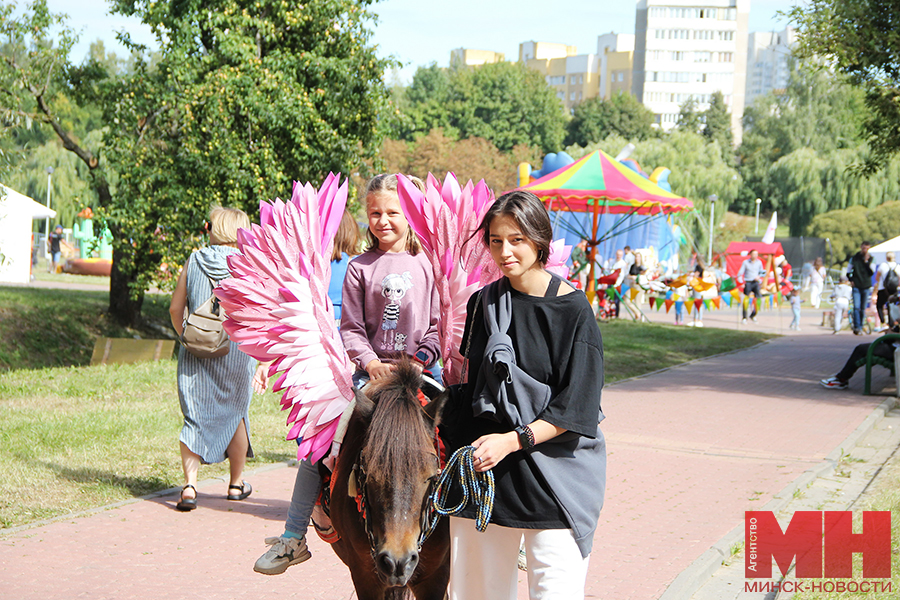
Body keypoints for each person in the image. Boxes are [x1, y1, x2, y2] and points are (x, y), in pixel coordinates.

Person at [254, 174, 441, 574]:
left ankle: (493, 523)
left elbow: (438, 324)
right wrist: (370, 361)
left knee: (461, 431)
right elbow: (352, 328)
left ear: (410, 214)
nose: (383, 220)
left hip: (421, 373)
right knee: (321, 442)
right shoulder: (359, 267)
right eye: (375, 212)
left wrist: (422, 358)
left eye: (394, 212)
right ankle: (293, 536)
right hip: (371, 376)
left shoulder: (428, 264)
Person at [440, 190, 605, 600]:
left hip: (552, 477)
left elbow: (577, 407)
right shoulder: (484, 302)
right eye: (496, 241)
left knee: (556, 592)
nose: (504, 251)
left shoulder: (573, 311)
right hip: (485, 477)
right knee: (476, 594)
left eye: (516, 239)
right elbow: (474, 390)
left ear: (539, 238)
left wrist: (511, 441)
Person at [253, 208, 360, 575]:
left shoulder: (340, 270)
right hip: (346, 373)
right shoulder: (352, 267)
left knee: (313, 453)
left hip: (346, 373)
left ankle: (294, 534)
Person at [168, 206, 267, 512]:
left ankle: (189, 487)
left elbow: (175, 308)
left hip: (197, 350)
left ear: (213, 228)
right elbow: (260, 314)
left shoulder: (195, 259)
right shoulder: (250, 266)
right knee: (235, 414)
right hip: (238, 351)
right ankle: (236, 485)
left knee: (194, 414)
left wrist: (186, 334)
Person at [821, 295, 900, 389]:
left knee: (861, 349)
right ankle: (842, 376)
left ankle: (842, 379)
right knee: (863, 349)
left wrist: (891, 331)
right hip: (893, 346)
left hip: (895, 349)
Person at [847, 241, 875, 335]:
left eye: (867, 248)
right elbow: (848, 270)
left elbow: (871, 272)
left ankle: (861, 325)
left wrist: (866, 262)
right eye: (864, 248)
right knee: (856, 307)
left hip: (866, 285)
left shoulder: (871, 259)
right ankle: (857, 326)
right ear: (861, 247)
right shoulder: (855, 258)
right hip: (857, 285)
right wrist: (851, 279)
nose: (865, 250)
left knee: (863, 308)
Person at [874, 252, 900, 331]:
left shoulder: (883, 265)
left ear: (886, 258)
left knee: (879, 305)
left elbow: (877, 277)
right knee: (891, 305)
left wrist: (880, 282)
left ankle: (883, 322)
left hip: (883, 288)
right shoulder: (898, 266)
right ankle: (891, 323)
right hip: (893, 289)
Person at [737, 249, 765, 324]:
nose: (755, 256)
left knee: (758, 299)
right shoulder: (745, 262)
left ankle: (753, 315)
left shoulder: (759, 262)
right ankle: (744, 317)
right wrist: (741, 282)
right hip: (748, 282)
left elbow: (763, 272)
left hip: (755, 282)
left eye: (756, 254)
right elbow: (739, 273)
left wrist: (759, 277)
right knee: (746, 300)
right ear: (750, 254)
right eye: (754, 254)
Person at [610, 249, 627, 317]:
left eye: (620, 255)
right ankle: (609, 313)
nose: (618, 256)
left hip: (617, 284)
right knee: (609, 299)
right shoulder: (612, 262)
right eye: (617, 255)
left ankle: (616, 314)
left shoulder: (623, 264)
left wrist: (616, 284)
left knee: (617, 300)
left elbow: (621, 275)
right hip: (610, 283)